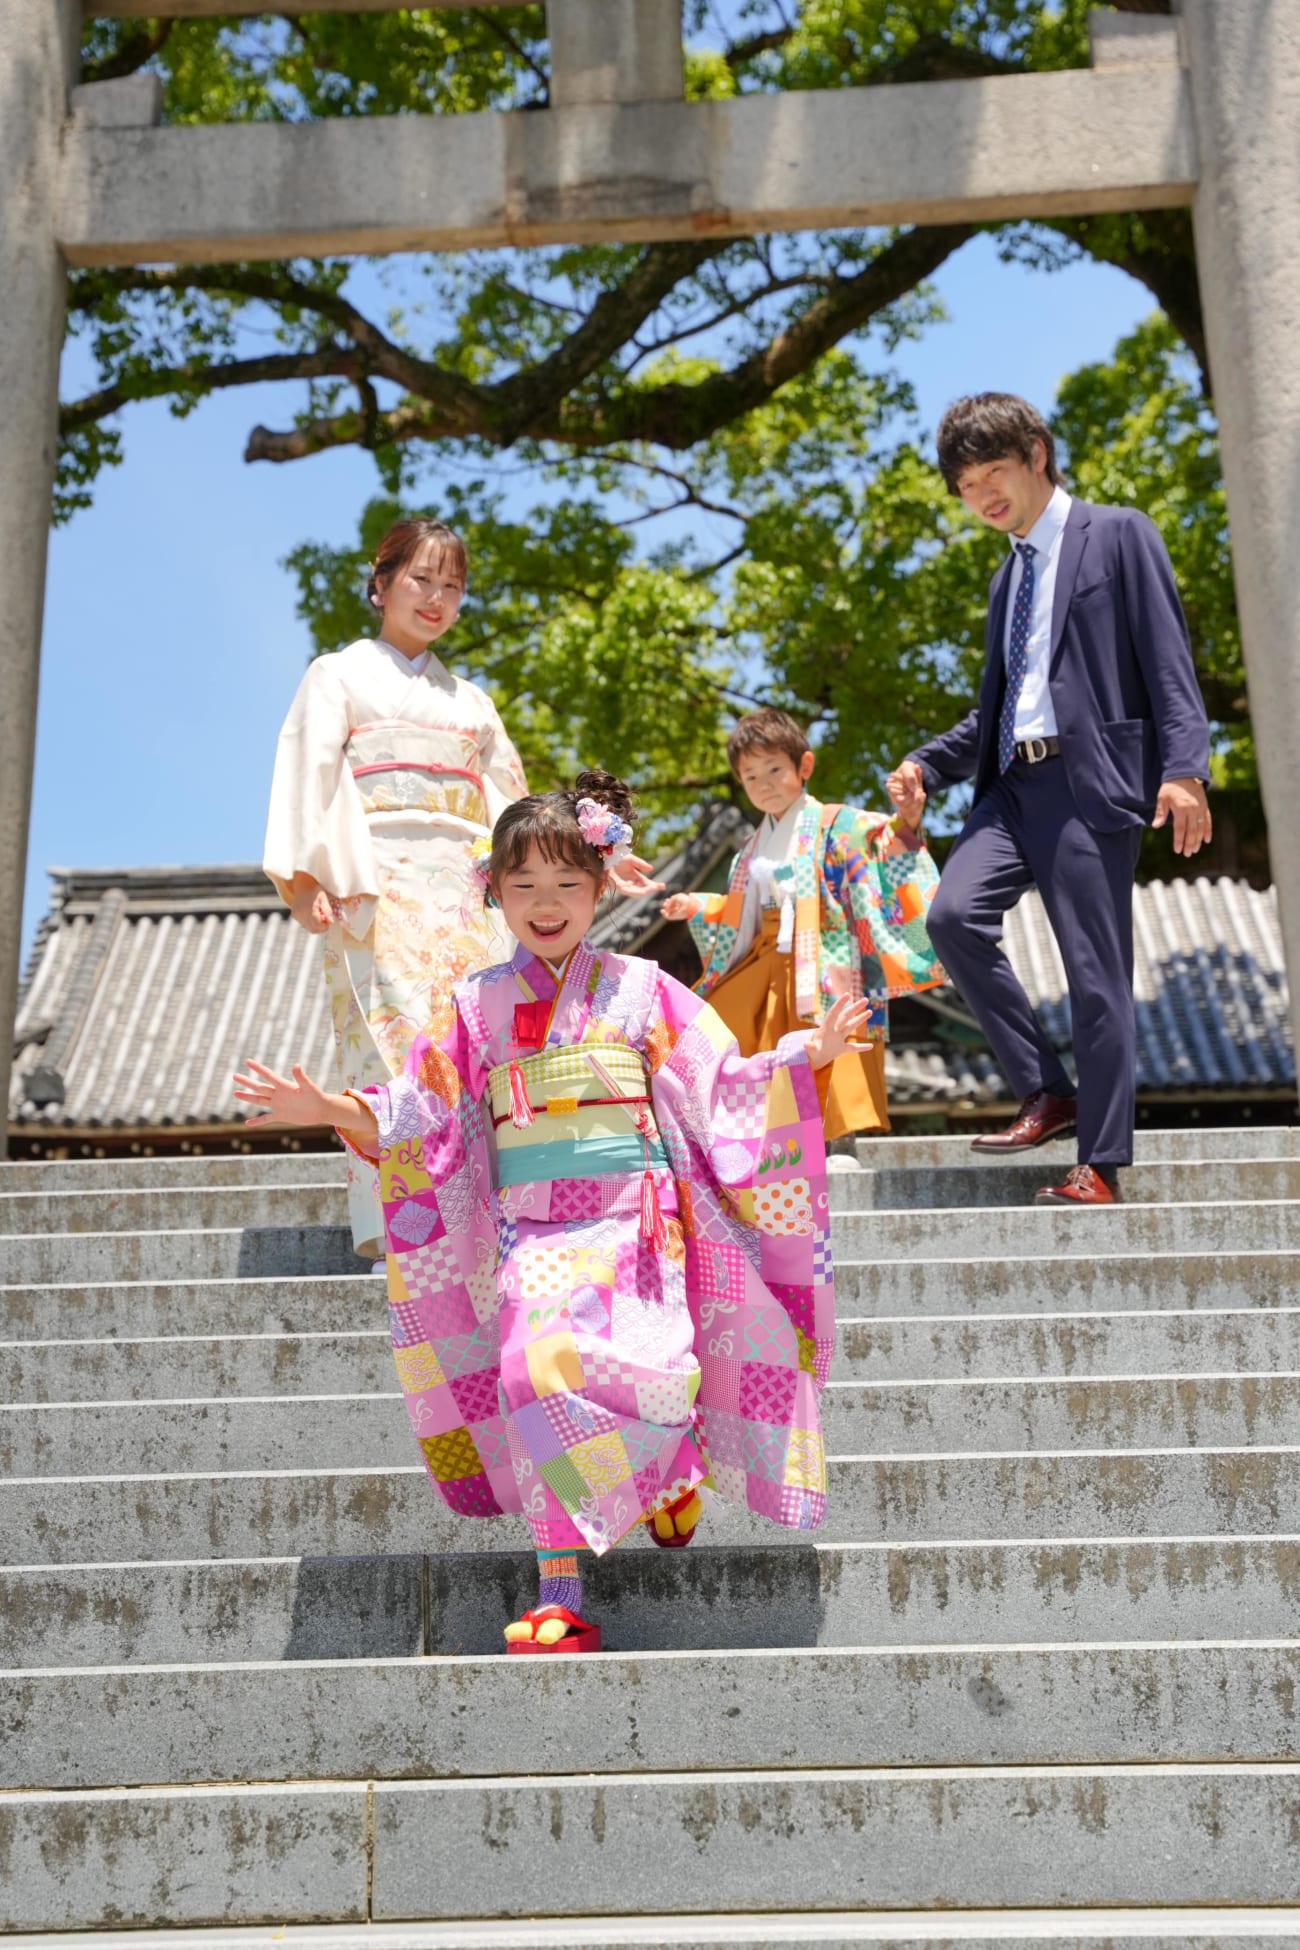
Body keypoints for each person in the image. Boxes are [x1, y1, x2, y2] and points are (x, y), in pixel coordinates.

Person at [236, 771, 865, 1653]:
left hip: (636, 1228)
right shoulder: (475, 1004)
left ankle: (673, 1466)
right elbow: (425, 1103)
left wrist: (804, 1055)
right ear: (491, 890)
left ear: (601, 887)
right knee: (532, 1376)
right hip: (534, 1232)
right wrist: (340, 1110)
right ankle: (560, 1591)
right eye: (523, 885)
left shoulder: (644, 990)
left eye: (568, 884)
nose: (546, 903)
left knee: (648, 1370)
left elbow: (722, 1081)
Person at [887, 393, 1212, 1207]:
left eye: (993, 473)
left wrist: (1186, 768)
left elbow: (1168, 661)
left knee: (1094, 973)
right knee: (952, 917)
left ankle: (1099, 1163)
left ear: (1037, 452)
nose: (983, 497)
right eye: (966, 487)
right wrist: (927, 766)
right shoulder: (1007, 580)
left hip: (1087, 782)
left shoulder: (1119, 533)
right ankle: (1047, 1087)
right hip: (1010, 786)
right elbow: (1001, 707)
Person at [262, 516, 529, 1260]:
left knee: (469, 1042)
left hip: (466, 889)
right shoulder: (337, 675)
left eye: (453, 585)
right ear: (380, 584)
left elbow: (508, 801)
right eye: (422, 579)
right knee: (387, 1046)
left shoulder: (471, 702)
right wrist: (303, 879)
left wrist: (574, 863)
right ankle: (399, 1224)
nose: (438, 598)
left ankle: (477, 1208)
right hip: (372, 885)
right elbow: (306, 778)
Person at [661, 707, 944, 1144]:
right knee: (725, 1023)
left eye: (774, 769)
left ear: (804, 766)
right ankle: (756, 1140)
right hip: (766, 953)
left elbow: (884, 844)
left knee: (835, 1030)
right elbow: (741, 910)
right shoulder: (752, 845)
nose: (764, 784)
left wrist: (907, 820)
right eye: (751, 777)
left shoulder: (837, 823)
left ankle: (840, 1140)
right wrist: (696, 905)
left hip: (828, 953)